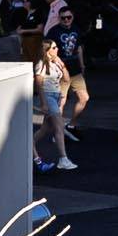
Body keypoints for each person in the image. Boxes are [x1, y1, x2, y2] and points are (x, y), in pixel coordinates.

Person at [43, 11, 89, 138]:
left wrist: (82, 64)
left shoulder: (76, 29)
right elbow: (48, 51)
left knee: (84, 97)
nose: (66, 20)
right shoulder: (53, 31)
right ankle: (58, 131)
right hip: (61, 71)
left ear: (72, 17)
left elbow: (79, 48)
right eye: (63, 18)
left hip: (75, 69)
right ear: (59, 18)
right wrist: (59, 65)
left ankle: (71, 125)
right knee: (61, 101)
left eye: (69, 17)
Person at [34, 38, 75, 170]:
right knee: (59, 127)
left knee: (45, 129)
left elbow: (67, 79)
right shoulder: (41, 64)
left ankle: (28, 143)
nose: (57, 49)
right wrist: (43, 103)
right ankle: (63, 159)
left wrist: (61, 64)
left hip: (56, 96)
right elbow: (39, 84)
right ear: (47, 51)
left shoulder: (56, 63)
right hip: (48, 96)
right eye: (54, 47)